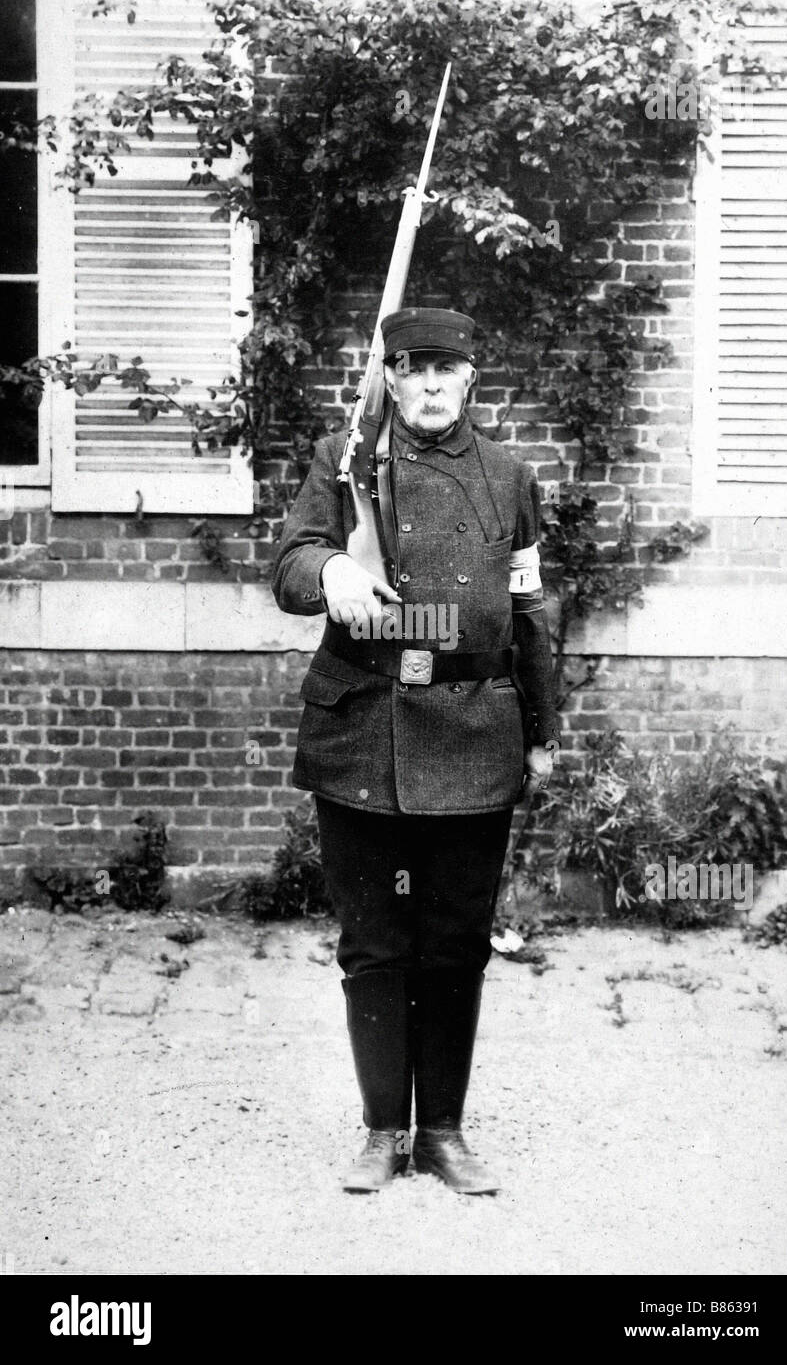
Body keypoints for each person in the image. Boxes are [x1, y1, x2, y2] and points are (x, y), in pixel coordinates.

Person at [272, 307, 559, 1194]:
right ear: (388, 378)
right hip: (364, 725)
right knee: (371, 941)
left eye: (446, 370)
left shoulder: (509, 478)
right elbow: (288, 565)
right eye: (412, 370)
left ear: (471, 379)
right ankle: (377, 1130)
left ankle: (440, 1130)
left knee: (455, 941)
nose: (430, 386)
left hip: (475, 725)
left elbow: (529, 613)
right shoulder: (347, 461)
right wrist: (331, 573)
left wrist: (542, 733)